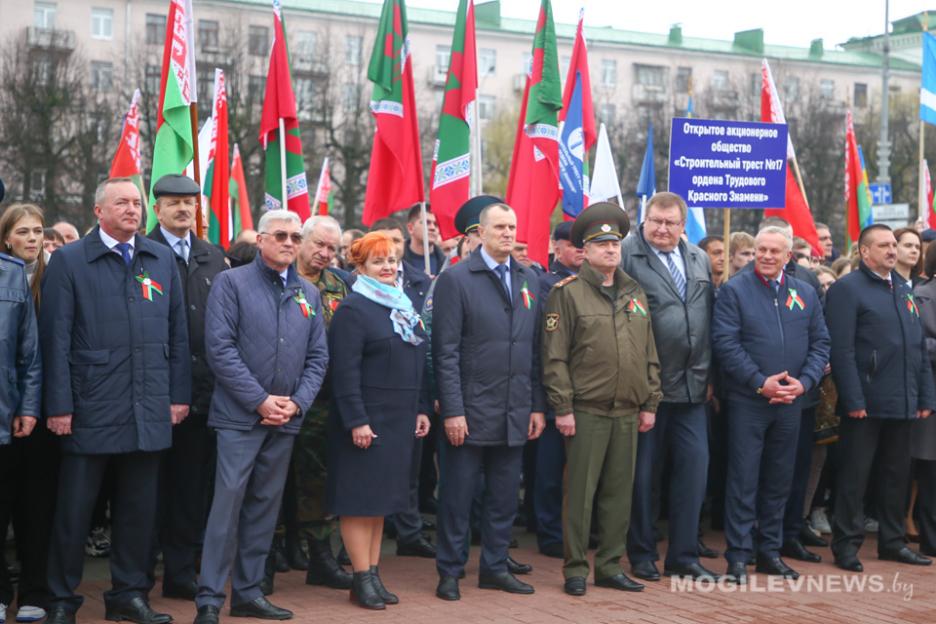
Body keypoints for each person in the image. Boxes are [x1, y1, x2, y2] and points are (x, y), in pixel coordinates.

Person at [41, 177, 191, 624]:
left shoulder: (159, 257)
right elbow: (56, 338)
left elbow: (177, 334)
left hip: (148, 407)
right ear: (98, 212)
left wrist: (177, 396)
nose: (132, 209)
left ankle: (128, 594)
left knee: (138, 512)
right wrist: (59, 405)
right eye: (121, 202)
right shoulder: (69, 261)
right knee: (74, 513)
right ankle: (61, 601)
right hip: (90, 406)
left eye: (136, 203)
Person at [193, 210, 328, 624]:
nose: (289, 242)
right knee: (227, 508)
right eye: (281, 235)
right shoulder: (231, 283)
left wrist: (297, 402)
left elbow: (318, 357)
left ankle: (249, 593)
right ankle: (210, 599)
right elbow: (220, 349)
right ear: (262, 240)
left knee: (264, 510)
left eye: (295, 236)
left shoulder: (309, 292)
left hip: (285, 420)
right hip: (240, 418)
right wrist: (260, 400)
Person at [542, 202, 662, 596]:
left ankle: (610, 565)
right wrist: (563, 407)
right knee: (580, 495)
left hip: (628, 411)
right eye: (601, 245)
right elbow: (555, 356)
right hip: (586, 411)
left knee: (618, 494)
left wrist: (650, 402)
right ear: (585, 252)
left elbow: (649, 352)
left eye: (615, 244)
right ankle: (575, 568)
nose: (611, 251)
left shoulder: (634, 291)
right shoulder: (568, 294)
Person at [432, 202, 546, 601]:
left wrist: (536, 405)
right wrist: (454, 410)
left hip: (514, 407)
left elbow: (534, 348)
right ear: (479, 233)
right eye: (499, 227)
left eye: (512, 226)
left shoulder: (529, 278)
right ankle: (450, 570)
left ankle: (495, 567)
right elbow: (444, 351)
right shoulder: (457, 280)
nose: (508, 234)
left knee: (503, 497)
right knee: (458, 496)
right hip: (471, 408)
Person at [712, 226, 830, 584]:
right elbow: (725, 343)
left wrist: (805, 382)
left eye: (773, 251)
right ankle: (738, 555)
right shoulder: (735, 290)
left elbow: (821, 343)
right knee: (743, 479)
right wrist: (759, 382)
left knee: (780, 480)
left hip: (792, 401)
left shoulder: (805, 292)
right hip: (750, 401)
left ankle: (769, 552)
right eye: (760, 249)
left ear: (788, 256)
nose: (765, 256)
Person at [326, 232, 431, 609]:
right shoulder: (354, 309)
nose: (388, 268)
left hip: (400, 419)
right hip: (367, 420)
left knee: (381, 501)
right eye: (378, 262)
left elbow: (419, 359)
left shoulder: (401, 304)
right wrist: (356, 420)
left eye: (391, 261)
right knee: (359, 501)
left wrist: (421, 407)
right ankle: (360, 576)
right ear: (361, 267)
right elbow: (344, 372)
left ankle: (371, 574)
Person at [619, 192, 717, 582]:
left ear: (683, 225)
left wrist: (712, 378)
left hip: (694, 387)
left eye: (670, 223)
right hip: (646, 389)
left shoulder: (697, 257)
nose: (661, 229)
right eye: (655, 221)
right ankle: (642, 554)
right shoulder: (627, 255)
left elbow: (708, 316)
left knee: (694, 473)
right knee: (643, 477)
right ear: (644, 219)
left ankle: (684, 555)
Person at [827, 224, 936, 572]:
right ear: (864, 251)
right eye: (884, 245)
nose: (892, 250)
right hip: (865, 403)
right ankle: (846, 545)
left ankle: (892, 543)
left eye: (894, 245)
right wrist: (854, 399)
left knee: (897, 476)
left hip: (903, 400)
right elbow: (841, 350)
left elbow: (916, 348)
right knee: (854, 478)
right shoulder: (847, 290)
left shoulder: (904, 288)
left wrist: (925, 395)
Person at [146, 175, 228, 602]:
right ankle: (138, 575)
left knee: (189, 488)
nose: (183, 210)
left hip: (201, 394)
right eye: (174, 203)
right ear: (156, 208)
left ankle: (179, 572)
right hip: (151, 392)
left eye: (190, 203)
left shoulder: (213, 256)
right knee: (144, 489)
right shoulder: (141, 252)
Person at [289, 215, 353, 591]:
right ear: (301, 241)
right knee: (274, 481)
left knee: (317, 480)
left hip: (324, 401)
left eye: (333, 248)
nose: (326, 254)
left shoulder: (341, 286)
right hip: (279, 396)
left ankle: (319, 556)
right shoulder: (280, 279)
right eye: (319, 245)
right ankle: (271, 553)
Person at [0, 207, 43, 623]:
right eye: (23, 230)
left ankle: (29, 591)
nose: (32, 237)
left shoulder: (11, 275)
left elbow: (29, 354)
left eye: (37, 231)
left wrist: (28, 406)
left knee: (22, 507)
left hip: (8, 415)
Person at [533, 221, 584, 559]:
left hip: (587, 393)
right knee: (549, 472)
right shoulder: (546, 285)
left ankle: (580, 529)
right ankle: (548, 531)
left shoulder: (596, 284)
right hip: (553, 392)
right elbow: (542, 345)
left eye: (585, 243)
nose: (580, 249)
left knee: (582, 471)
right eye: (573, 243)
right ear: (557, 246)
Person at [911, 243, 936, 555]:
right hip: (931, 391)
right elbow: (916, 343)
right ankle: (930, 538)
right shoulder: (921, 296)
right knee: (930, 471)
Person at [403, 204, 445, 276]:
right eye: (427, 223)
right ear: (410, 228)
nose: (432, 228)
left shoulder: (446, 264)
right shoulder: (398, 262)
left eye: (436, 224)